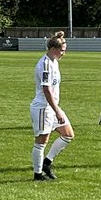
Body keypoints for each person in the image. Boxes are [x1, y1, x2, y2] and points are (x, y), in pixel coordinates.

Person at [30, 31, 74, 180]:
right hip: (43, 107)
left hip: (53, 106)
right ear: (53, 49)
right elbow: (46, 90)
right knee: (42, 141)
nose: (64, 54)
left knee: (68, 135)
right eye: (62, 51)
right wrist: (57, 111)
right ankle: (37, 174)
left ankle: (47, 163)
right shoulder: (45, 64)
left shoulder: (54, 61)